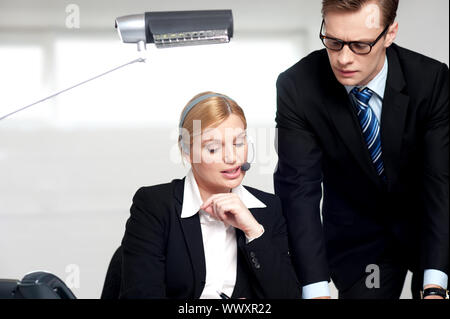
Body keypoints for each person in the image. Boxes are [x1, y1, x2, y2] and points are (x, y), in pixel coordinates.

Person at [274, 0, 448, 299]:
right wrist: (315, 289)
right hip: (362, 244)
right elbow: (298, 191)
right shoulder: (298, 87)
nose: (343, 58)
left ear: (390, 33)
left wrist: (434, 285)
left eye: (360, 45)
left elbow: (441, 183)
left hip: (434, 227)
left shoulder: (430, 80)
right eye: (334, 41)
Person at [120, 92, 301, 299]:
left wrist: (253, 230)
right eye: (213, 148)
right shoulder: (154, 205)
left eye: (239, 143)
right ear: (186, 151)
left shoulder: (268, 207)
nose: (232, 158)